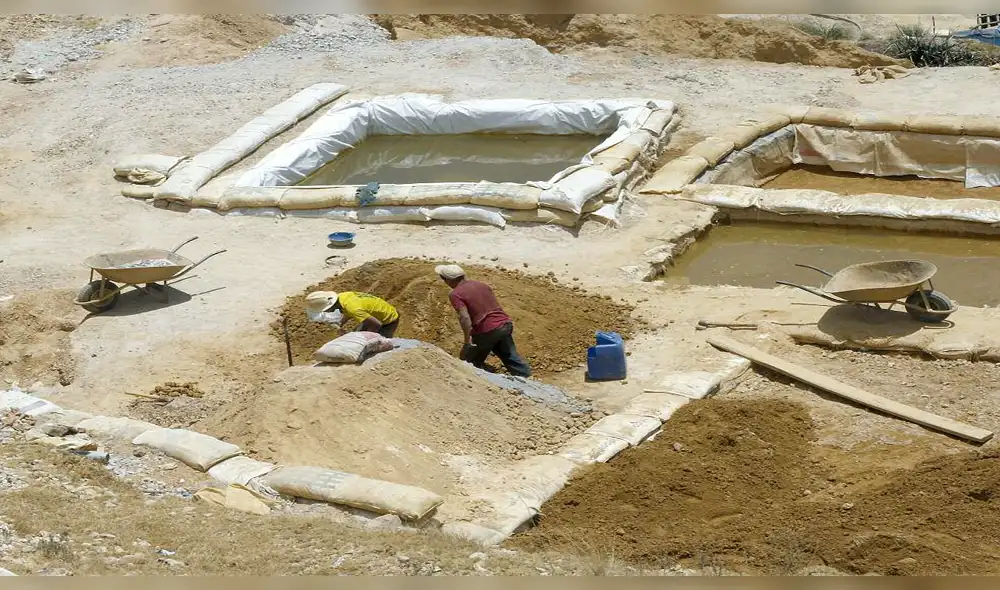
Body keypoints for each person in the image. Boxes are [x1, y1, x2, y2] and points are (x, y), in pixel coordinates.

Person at [434, 264, 532, 378]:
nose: (444, 282)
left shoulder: (455, 294)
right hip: (505, 324)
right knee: (510, 356)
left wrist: (467, 340)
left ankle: (475, 384)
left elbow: (464, 317)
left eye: (443, 279)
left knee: (466, 362)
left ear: (450, 280)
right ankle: (528, 379)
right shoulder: (481, 285)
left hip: (486, 330)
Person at [304, 290, 400, 338]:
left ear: (330, 307)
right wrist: (340, 323)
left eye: (325, 310)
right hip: (377, 313)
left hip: (388, 321)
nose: (326, 312)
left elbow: (376, 324)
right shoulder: (343, 297)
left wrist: (367, 339)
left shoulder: (353, 309)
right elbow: (348, 311)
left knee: (375, 346)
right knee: (357, 334)